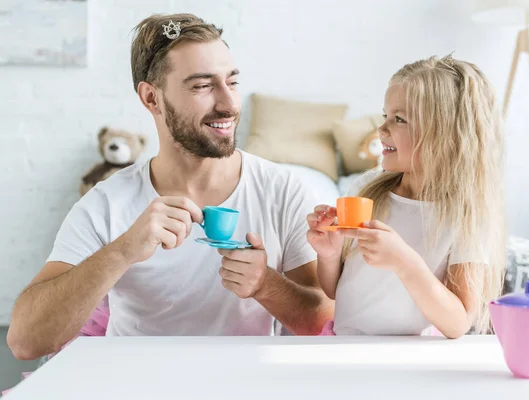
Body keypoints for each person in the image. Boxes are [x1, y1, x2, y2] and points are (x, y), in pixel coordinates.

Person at [8, 13, 333, 360]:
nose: (229, 104)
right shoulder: (108, 203)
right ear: (151, 98)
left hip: (245, 385)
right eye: (202, 86)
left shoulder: (282, 189)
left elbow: (321, 320)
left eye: (232, 82)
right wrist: (122, 252)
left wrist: (266, 284)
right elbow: (25, 341)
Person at [307, 54, 505, 338]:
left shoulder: (465, 215)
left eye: (399, 119)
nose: (381, 128)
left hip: (409, 361)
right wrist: (328, 254)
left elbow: (458, 323)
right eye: (385, 115)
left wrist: (404, 261)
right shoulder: (367, 189)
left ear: (445, 135)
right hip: (342, 345)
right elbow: (336, 291)